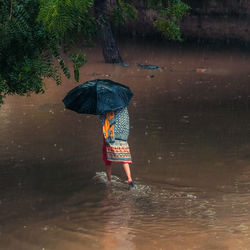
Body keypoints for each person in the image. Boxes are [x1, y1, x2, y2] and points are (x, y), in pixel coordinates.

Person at [100, 107, 136, 189]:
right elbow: (125, 121)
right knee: (124, 158)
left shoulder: (105, 105)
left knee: (107, 159)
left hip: (110, 134)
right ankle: (130, 179)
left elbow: (104, 119)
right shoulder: (123, 105)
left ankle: (109, 181)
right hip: (121, 136)